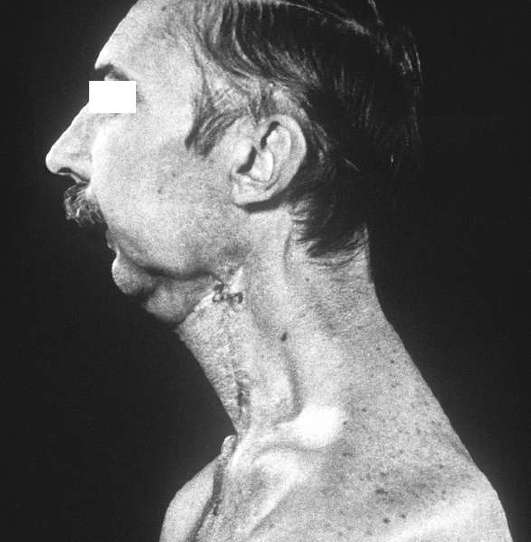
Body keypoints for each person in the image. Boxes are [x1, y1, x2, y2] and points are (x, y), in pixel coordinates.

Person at [45, 0, 513, 540]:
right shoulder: (204, 503)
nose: (60, 154)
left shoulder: (427, 522)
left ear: (259, 161)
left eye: (116, 99)